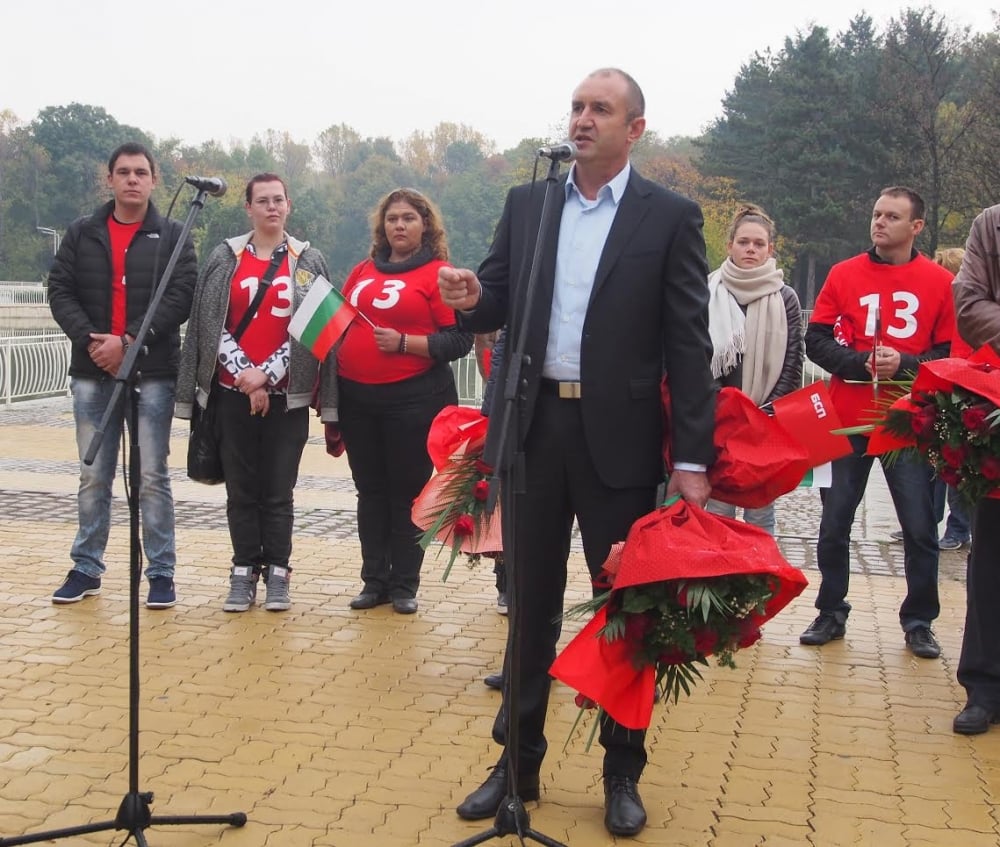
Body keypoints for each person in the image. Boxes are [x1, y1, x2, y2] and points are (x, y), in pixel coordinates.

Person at [439, 67, 716, 837]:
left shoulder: (670, 217)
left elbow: (688, 344)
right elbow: (496, 296)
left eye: (601, 108)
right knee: (528, 607)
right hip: (534, 432)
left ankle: (622, 771)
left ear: (635, 130)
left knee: (624, 611)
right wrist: (470, 297)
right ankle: (515, 765)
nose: (583, 119)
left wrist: (692, 459)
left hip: (619, 442)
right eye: (577, 106)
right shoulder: (531, 202)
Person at [800, 186, 955, 659]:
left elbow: (949, 354)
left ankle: (919, 620)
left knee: (919, 525)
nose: (880, 222)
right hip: (846, 417)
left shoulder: (939, 282)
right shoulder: (844, 273)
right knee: (834, 522)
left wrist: (905, 365)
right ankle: (830, 610)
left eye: (892, 216)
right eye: (876, 214)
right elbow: (816, 340)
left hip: (907, 421)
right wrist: (859, 362)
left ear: (917, 226)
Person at [175, 173, 335, 612]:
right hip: (231, 393)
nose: (271, 207)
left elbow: (317, 328)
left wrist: (267, 373)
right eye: (262, 200)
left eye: (278, 200)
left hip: (287, 398)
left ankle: (279, 572)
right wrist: (246, 374)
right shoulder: (225, 257)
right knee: (242, 489)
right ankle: (244, 570)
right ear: (247, 207)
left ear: (289, 205)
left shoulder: (308, 260)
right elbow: (209, 324)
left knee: (279, 489)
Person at [47, 142, 196, 609]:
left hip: (151, 372)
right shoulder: (82, 232)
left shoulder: (172, 234)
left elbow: (181, 294)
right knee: (94, 473)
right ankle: (86, 566)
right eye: (124, 172)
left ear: (154, 181)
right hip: (93, 372)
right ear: (109, 179)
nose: (132, 179)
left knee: (152, 474)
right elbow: (60, 289)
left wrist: (129, 342)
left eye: (141, 172)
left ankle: (161, 572)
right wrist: (94, 342)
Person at [337, 188, 473, 615]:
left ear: (425, 226)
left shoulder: (439, 273)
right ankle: (373, 580)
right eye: (392, 218)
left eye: (409, 218)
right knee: (369, 492)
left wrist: (404, 344)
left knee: (406, 494)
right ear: (382, 226)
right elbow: (337, 322)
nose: (399, 225)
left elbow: (458, 339)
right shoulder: (361, 270)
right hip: (358, 400)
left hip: (412, 402)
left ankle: (403, 585)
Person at [703, 204, 803, 535]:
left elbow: (792, 360)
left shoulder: (784, 297)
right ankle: (717, 579)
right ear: (730, 244)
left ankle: (759, 583)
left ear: (770, 249)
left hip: (763, 419)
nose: (750, 249)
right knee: (718, 508)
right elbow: (696, 356)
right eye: (744, 242)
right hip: (717, 419)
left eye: (759, 244)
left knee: (760, 511)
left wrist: (767, 412)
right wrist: (722, 408)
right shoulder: (708, 291)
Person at [951, 206, 1000, 733]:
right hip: (998, 401)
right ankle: (984, 687)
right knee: (991, 555)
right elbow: (969, 305)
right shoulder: (991, 224)